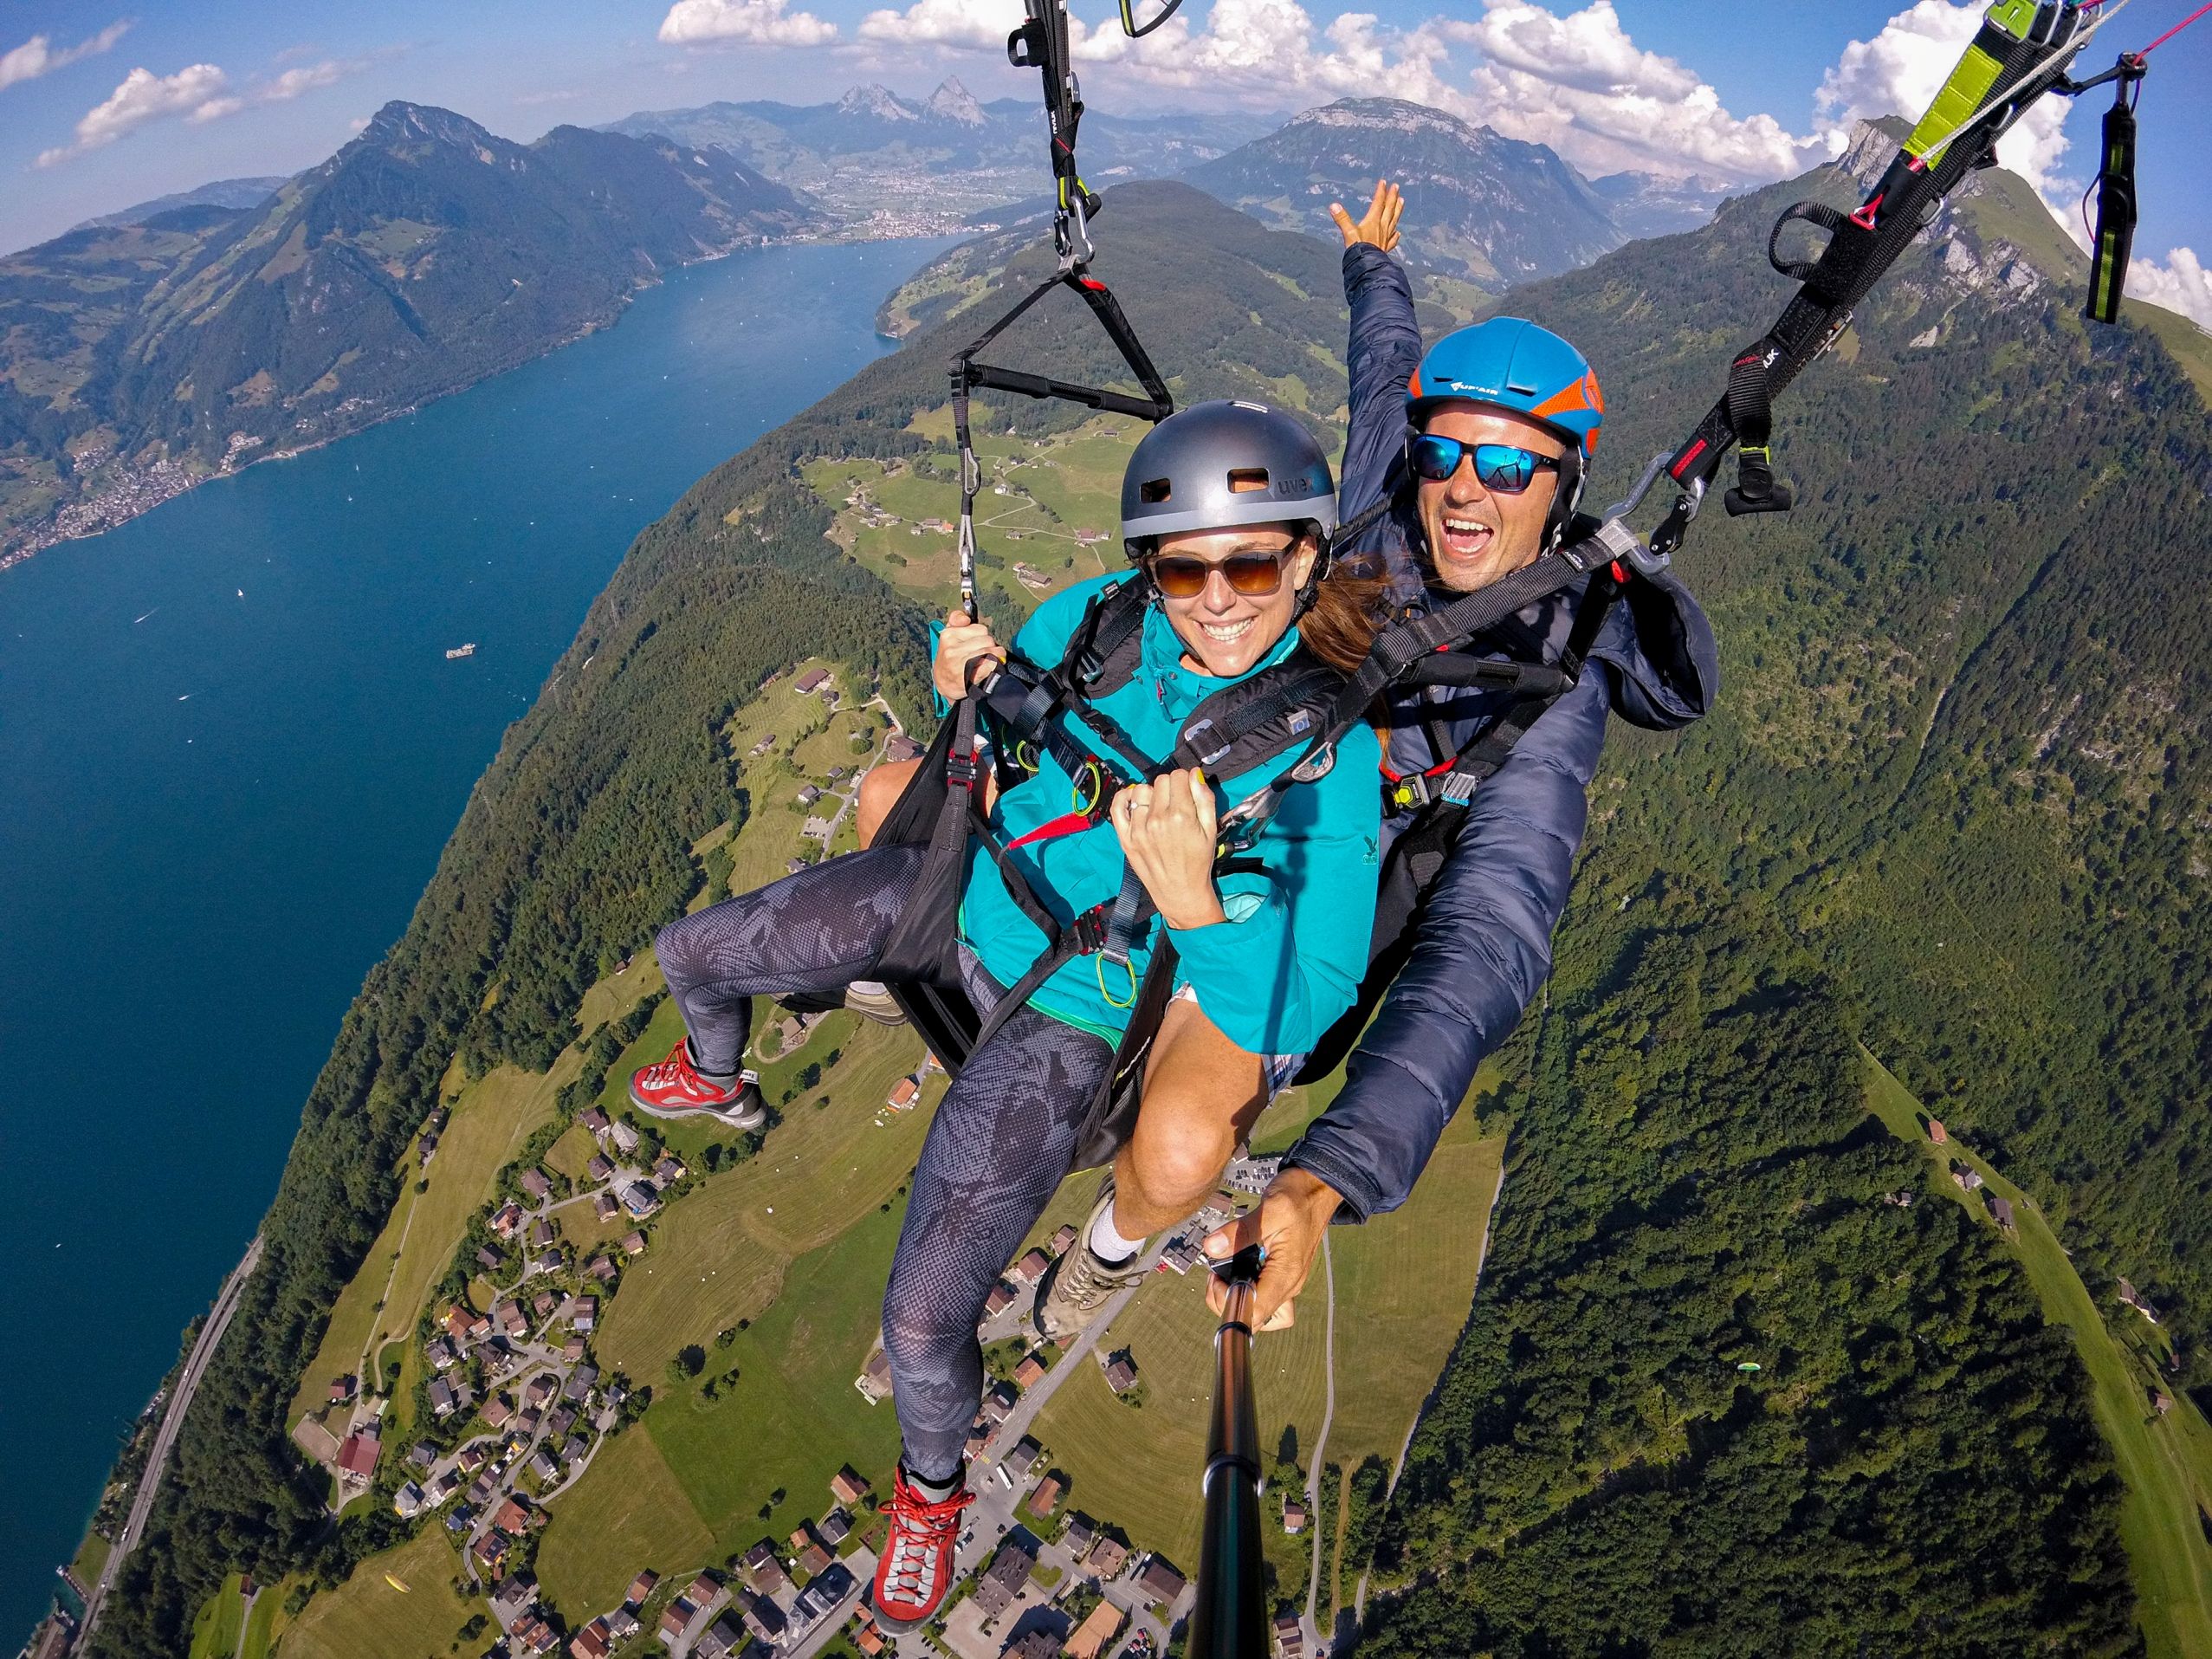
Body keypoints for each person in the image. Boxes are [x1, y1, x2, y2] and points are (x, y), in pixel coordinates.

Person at [627, 399, 1381, 1629]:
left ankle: (928, 1489)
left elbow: (1297, 1002)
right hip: (959, 899)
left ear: (1303, 557)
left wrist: (1194, 907)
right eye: (1184, 564)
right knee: (692, 953)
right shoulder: (1091, 622)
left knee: (922, 1320)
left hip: (1075, 1008)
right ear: (1149, 567)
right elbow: (996, 744)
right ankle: (718, 1075)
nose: (1218, 595)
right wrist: (958, 680)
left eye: (1251, 559)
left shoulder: (1320, 762)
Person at [1191, 181, 1719, 1329]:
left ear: (1564, 491)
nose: (1467, 485)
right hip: (1218, 804)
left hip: (1311, 924)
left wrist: (1324, 1178)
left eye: (1512, 468)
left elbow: (1491, 933)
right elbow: (1384, 374)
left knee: (1158, 1107)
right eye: (1448, 457)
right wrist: (1372, 264)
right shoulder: (1399, 494)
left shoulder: (1554, 680)